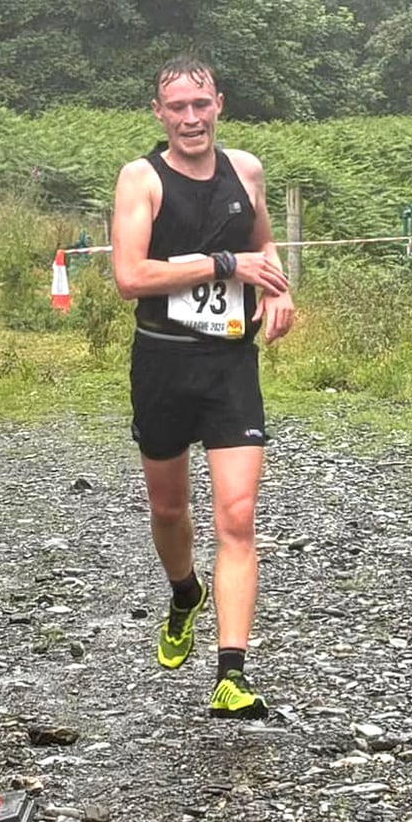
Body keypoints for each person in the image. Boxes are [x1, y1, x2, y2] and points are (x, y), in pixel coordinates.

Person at [112, 56, 294, 719]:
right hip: (161, 361)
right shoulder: (142, 179)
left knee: (237, 515)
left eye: (201, 104)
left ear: (219, 103)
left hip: (228, 363)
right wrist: (222, 264)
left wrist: (276, 290)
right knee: (168, 510)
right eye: (177, 108)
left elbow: (264, 246)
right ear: (158, 114)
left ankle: (231, 673)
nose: (190, 118)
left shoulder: (244, 170)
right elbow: (130, 275)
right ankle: (184, 592)